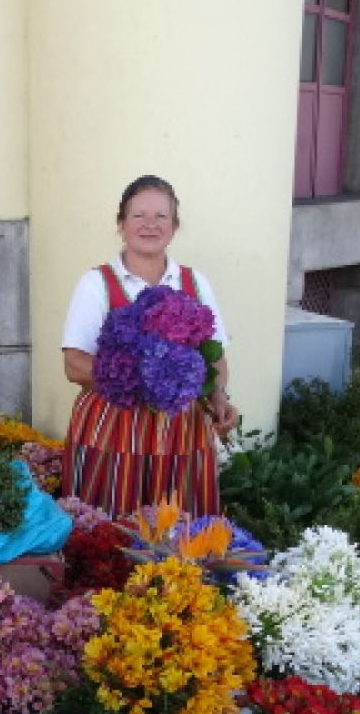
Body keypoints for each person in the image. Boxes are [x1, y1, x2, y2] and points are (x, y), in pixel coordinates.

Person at [61, 175, 237, 517]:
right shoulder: (96, 283)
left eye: (161, 216)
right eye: (139, 215)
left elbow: (215, 357)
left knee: (179, 527)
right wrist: (144, 380)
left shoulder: (194, 282)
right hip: (112, 427)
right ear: (121, 224)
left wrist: (219, 396)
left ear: (174, 226)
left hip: (180, 432)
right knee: (110, 527)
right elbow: (74, 365)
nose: (150, 225)